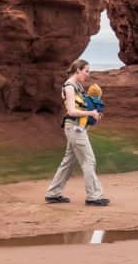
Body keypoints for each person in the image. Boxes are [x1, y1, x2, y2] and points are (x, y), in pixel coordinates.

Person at [44, 59, 109, 206]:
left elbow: (83, 107)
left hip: (76, 128)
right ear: (78, 70)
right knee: (89, 160)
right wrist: (91, 113)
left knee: (68, 161)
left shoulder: (78, 86)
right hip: (74, 128)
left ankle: (53, 194)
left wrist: (94, 114)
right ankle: (94, 196)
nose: (88, 74)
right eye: (86, 71)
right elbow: (72, 111)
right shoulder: (69, 87)